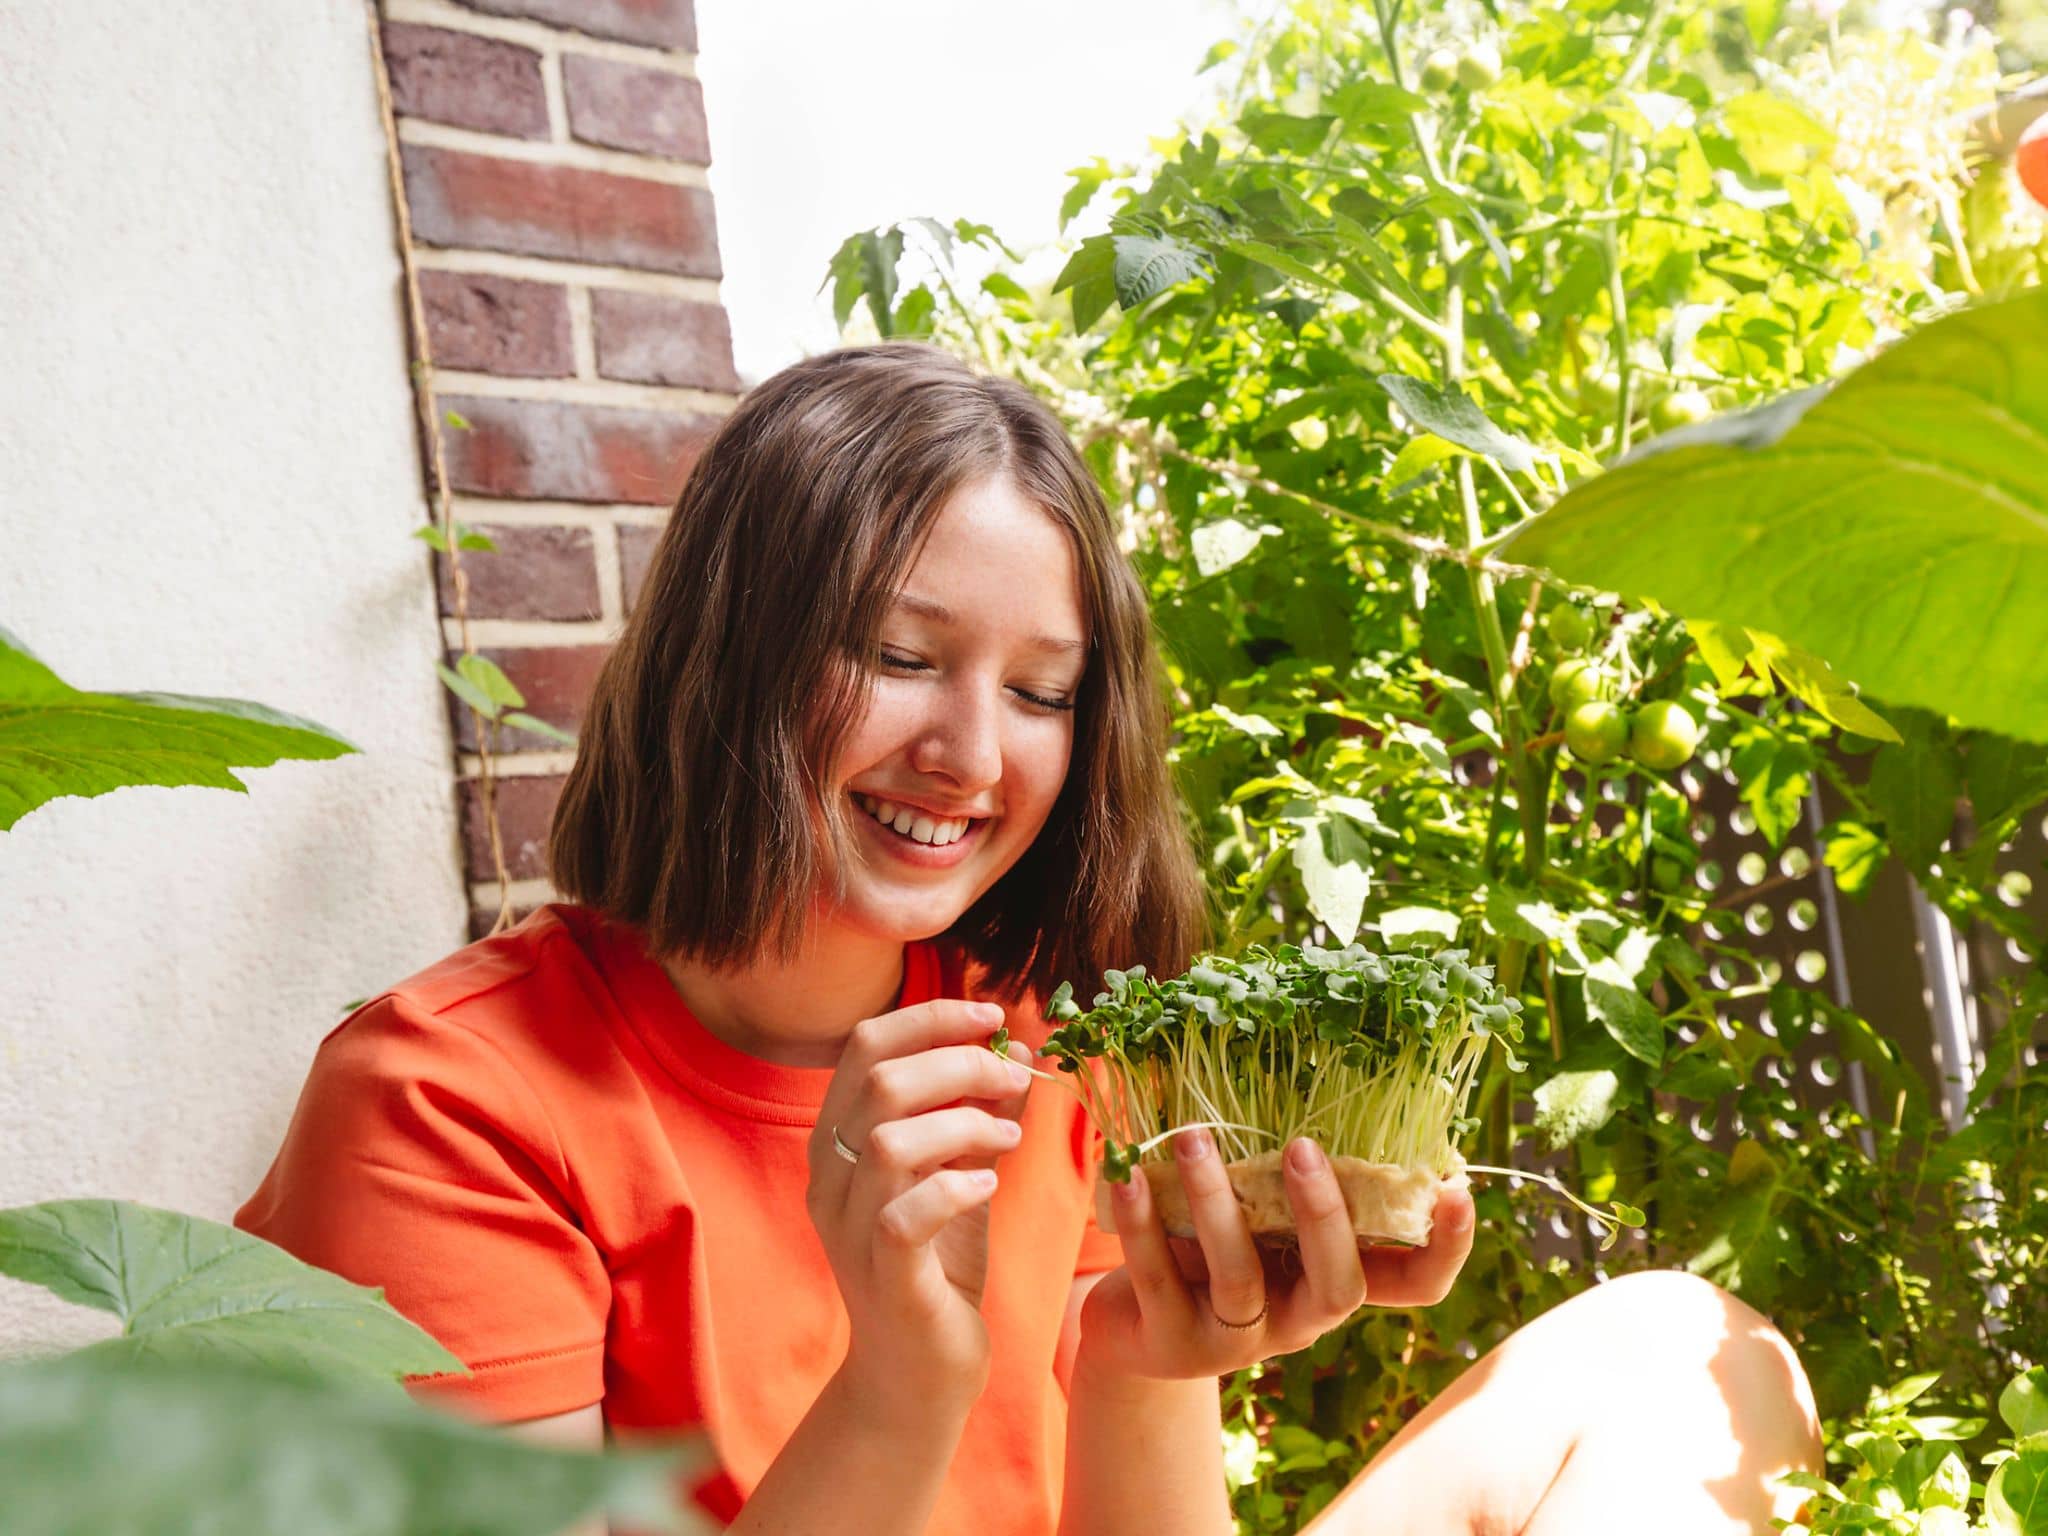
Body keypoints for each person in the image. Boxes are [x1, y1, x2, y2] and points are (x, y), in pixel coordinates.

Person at [235, 341, 1821, 1535]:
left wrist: (1144, 1357)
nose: (975, 757)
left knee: (1678, 1349)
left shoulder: (1045, 1040)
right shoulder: (448, 1106)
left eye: (1043, 692)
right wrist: (904, 1380)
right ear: (731, 659)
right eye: (902, 655)